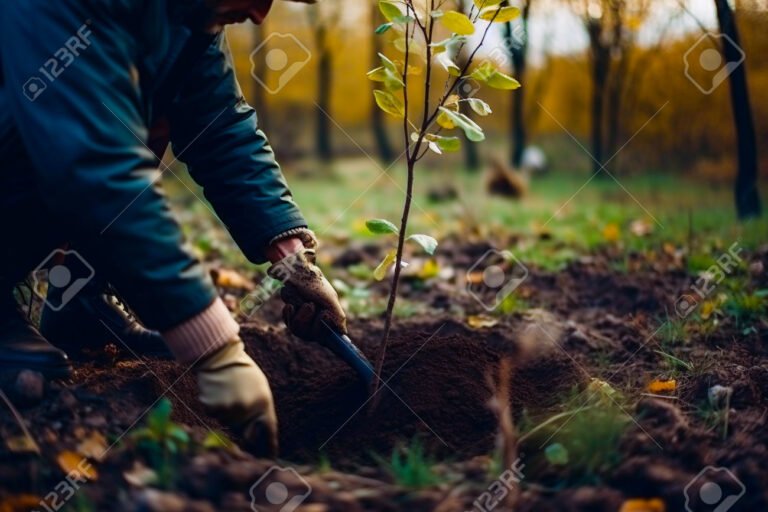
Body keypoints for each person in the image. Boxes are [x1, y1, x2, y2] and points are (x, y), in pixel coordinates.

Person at [0, 0, 347, 456]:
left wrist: (292, 258)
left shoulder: (189, 17)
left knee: (142, 119)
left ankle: (79, 301)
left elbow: (220, 128)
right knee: (86, 134)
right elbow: (93, 165)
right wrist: (215, 350)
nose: (262, 15)